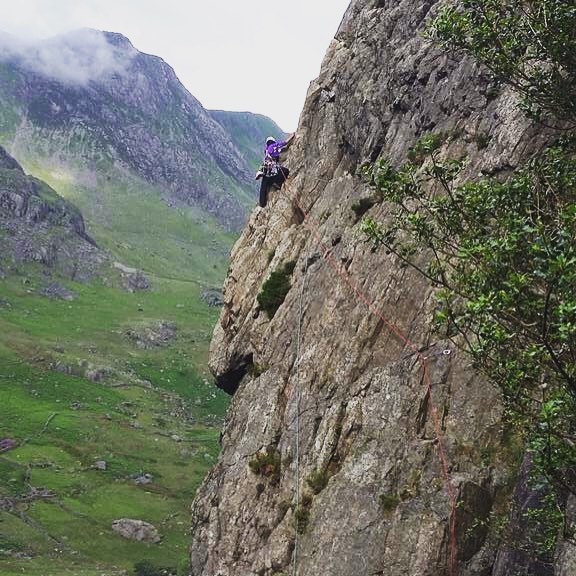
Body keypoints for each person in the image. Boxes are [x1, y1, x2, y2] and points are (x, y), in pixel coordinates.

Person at [255, 133, 295, 207]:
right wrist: (292, 136)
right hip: (273, 168)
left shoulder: (266, 150)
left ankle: (262, 203)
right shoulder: (274, 145)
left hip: (266, 169)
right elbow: (285, 143)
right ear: (273, 141)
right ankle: (277, 183)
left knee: (264, 185)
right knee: (285, 171)